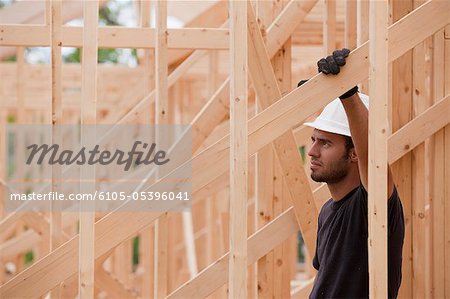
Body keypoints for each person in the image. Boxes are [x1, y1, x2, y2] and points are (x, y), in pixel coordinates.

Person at [299, 49, 405, 299]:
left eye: (325, 143)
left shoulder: (371, 206)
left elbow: (373, 156)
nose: (312, 151)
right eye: (313, 140)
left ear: (355, 152)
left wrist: (348, 96)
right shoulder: (327, 211)